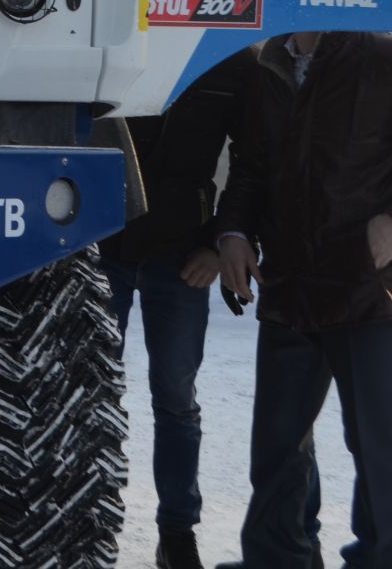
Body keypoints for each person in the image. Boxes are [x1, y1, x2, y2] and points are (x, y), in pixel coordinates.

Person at [215, 31, 392, 569]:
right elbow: (249, 166)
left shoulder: (380, 56)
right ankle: (276, 559)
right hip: (289, 285)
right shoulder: (266, 66)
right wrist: (235, 234)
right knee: (277, 443)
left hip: (369, 287)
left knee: (379, 446)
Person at [101, 46, 278, 569]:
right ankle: (80, 519)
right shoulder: (115, 37)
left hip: (182, 255)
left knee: (176, 398)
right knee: (83, 393)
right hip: (96, 244)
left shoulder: (234, 59)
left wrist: (219, 240)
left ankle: (177, 532)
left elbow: (254, 164)